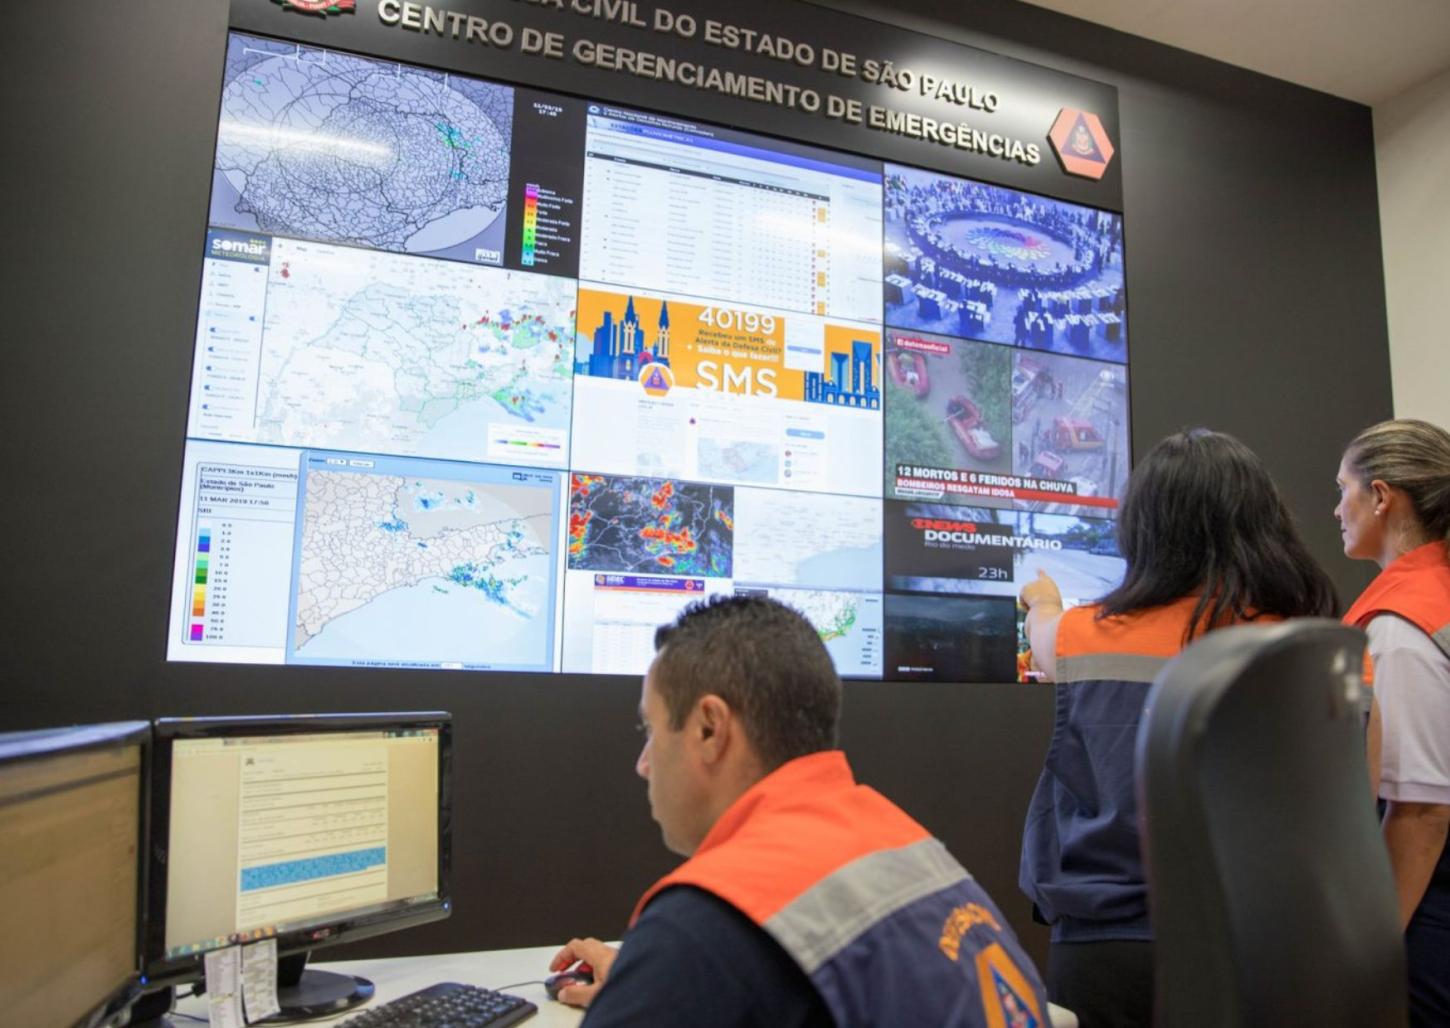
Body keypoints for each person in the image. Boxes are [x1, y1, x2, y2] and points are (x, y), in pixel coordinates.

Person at [550, 594, 1048, 1027]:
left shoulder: (705, 927)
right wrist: (651, 987)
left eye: (651, 731)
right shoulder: (908, 849)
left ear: (708, 728)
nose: (642, 764)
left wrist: (663, 982)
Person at [1018, 428, 1337, 1027]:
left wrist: (1041, 598)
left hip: (1109, 947)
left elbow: (1044, 637)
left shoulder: (1085, 633)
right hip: (1272, 945)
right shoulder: (1328, 652)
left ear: (1143, 527)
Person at [1336, 418, 1450, 1026]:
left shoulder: (1402, 627)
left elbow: (1422, 813)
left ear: (1380, 497)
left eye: (1344, 489)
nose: (1336, 509)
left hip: (1429, 908)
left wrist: (1368, 956)